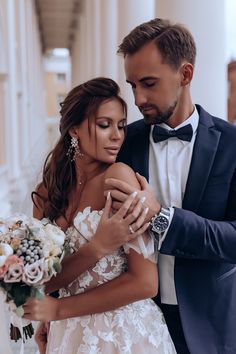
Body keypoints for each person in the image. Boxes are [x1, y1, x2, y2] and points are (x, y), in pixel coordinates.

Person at [102, 18, 236, 354]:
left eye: (148, 83)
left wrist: (163, 216)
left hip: (211, 323)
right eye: (132, 85)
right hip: (135, 321)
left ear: (186, 75)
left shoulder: (232, 144)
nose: (138, 98)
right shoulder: (122, 143)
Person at [23, 77, 176, 354]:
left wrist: (58, 309)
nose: (117, 135)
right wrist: (97, 248)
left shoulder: (118, 178)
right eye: (105, 125)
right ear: (74, 129)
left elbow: (145, 283)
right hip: (67, 335)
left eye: (121, 125)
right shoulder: (47, 193)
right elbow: (42, 282)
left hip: (122, 334)